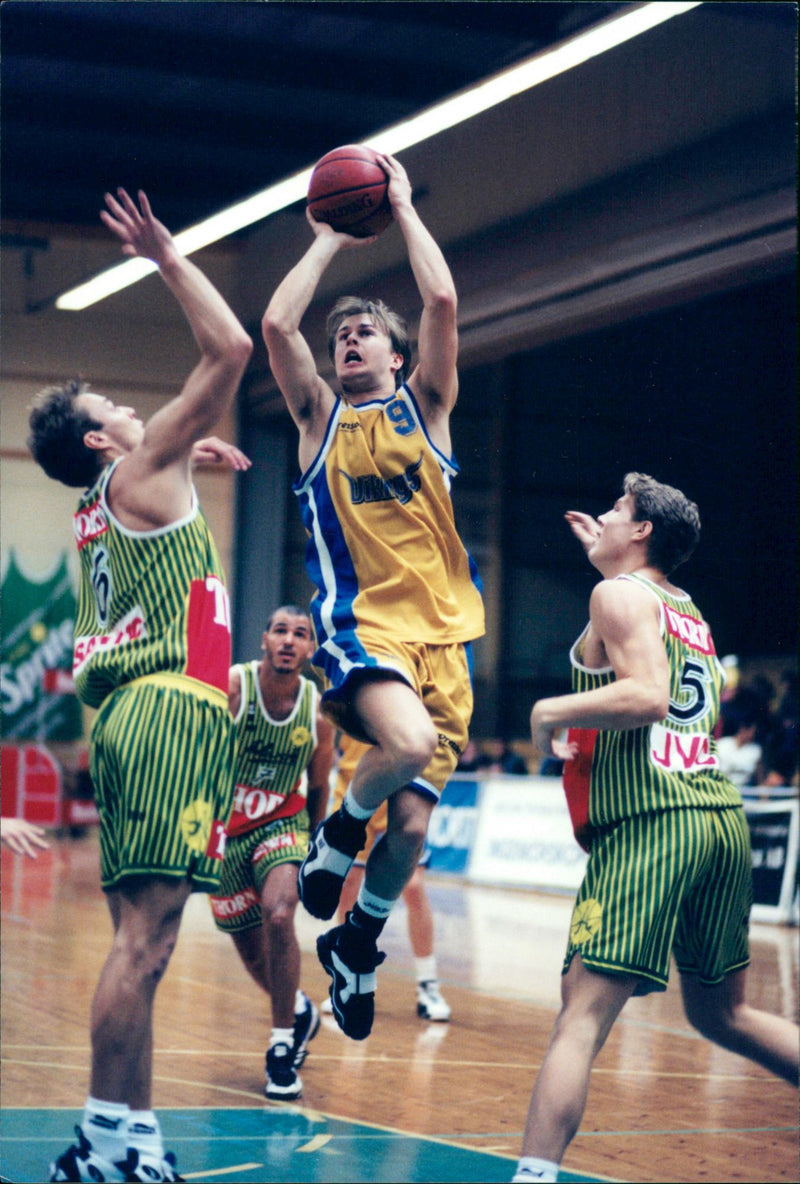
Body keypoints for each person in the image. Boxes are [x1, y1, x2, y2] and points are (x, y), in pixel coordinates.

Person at [27, 188, 253, 1183]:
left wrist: (184, 457)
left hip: (138, 711)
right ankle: (99, 1139)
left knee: (150, 942)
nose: (128, 406)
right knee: (142, 941)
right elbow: (232, 350)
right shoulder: (137, 465)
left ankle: (131, 1139)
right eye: (110, 409)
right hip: (168, 705)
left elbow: (159, 479)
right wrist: (167, 254)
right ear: (94, 441)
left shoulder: (105, 501)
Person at [512, 473, 799, 1184]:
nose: (604, 515)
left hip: (654, 822)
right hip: (718, 822)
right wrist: (604, 574)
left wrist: (549, 712)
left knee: (579, 1015)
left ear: (641, 531)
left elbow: (645, 696)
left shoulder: (618, 595)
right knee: (722, 1015)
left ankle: (532, 1177)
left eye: (617, 509)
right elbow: (611, 652)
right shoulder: (681, 606)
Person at [261, 152, 484, 1040]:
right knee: (406, 744)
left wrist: (401, 205)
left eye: (363, 335)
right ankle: (338, 835)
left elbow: (442, 304)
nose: (347, 340)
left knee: (417, 836)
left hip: (447, 641)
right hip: (362, 626)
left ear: (397, 357)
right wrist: (323, 239)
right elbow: (278, 326)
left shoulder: (427, 406)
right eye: (341, 336)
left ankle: (358, 940)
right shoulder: (319, 416)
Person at [209, 606, 335, 1100]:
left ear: (309, 650)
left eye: (300, 634)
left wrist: (320, 849)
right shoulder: (234, 688)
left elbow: (320, 785)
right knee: (254, 956)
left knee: (279, 915)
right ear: (263, 639)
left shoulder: (318, 710)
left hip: (284, 825)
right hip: (226, 831)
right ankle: (299, 1012)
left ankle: (281, 1046)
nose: (288, 640)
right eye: (280, 630)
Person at [321, 733, 452, 1023]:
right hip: (356, 781)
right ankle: (349, 976)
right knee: (348, 885)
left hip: (405, 784)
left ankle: (428, 984)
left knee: (414, 886)